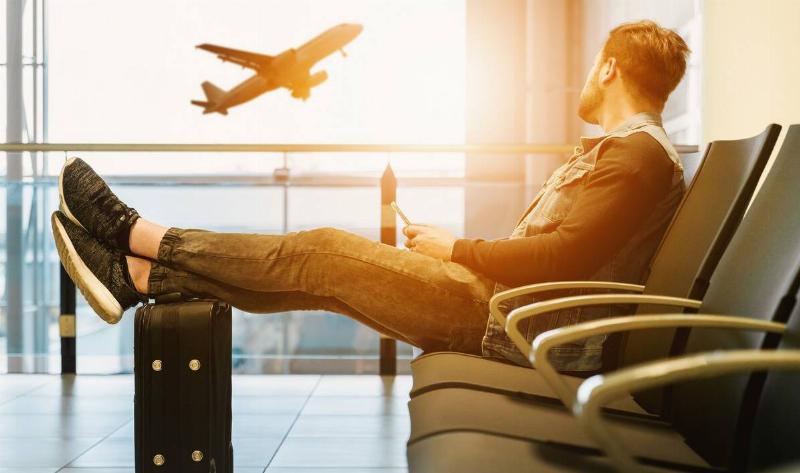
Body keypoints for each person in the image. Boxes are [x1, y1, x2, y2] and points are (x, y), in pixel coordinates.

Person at [51, 19, 690, 373]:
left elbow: (564, 258)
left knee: (321, 252)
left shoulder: (636, 156)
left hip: (506, 323)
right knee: (321, 281)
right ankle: (139, 277)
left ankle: (135, 233)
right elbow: (565, 254)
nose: (587, 77)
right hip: (505, 312)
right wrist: (458, 251)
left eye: (593, 66)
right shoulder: (631, 155)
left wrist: (457, 249)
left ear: (609, 67)